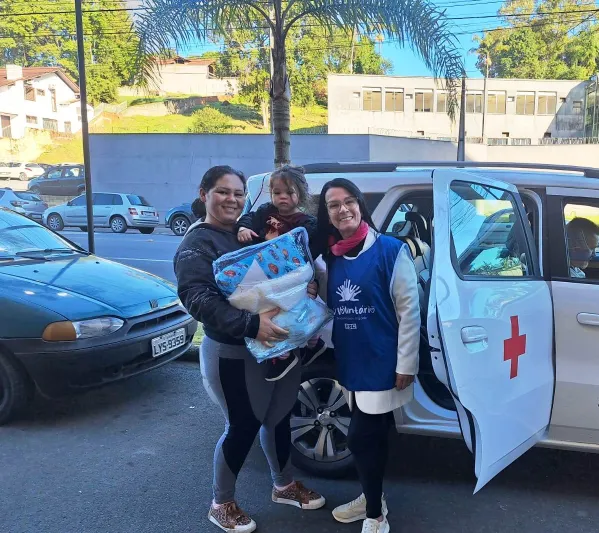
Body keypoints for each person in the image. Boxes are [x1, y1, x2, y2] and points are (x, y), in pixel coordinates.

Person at [174, 165, 325, 533]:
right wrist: (252, 325)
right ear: (204, 194)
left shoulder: (251, 230)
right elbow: (196, 298)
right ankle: (221, 503)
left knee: (279, 418)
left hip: (280, 344)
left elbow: (283, 270)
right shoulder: (198, 243)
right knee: (242, 426)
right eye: (223, 192)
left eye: (238, 193)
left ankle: (284, 485)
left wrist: (306, 287)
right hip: (234, 353)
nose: (232, 199)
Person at [315, 178, 421, 533]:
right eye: (333, 205)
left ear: (360, 204)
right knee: (372, 438)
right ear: (327, 214)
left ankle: (375, 515)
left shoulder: (391, 251)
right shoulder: (330, 259)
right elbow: (325, 306)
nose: (343, 209)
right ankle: (370, 495)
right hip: (350, 360)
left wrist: (406, 364)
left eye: (349, 201)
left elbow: (409, 312)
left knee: (360, 438)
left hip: (383, 361)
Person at [235, 165, 324, 380]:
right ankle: (296, 350)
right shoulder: (265, 212)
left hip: (292, 277)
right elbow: (247, 218)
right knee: (271, 315)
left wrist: (306, 278)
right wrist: (243, 229)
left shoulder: (307, 223)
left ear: (300, 194)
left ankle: (294, 351)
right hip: (265, 274)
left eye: (289, 192)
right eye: (277, 192)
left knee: (288, 314)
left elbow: (312, 253)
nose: (282, 197)